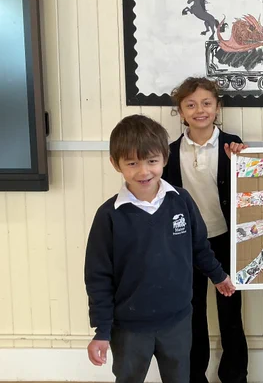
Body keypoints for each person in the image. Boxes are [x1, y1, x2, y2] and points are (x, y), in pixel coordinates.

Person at [85, 115, 235, 383]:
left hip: (178, 321)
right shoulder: (108, 216)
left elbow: (200, 247)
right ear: (115, 163)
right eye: (132, 163)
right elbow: (98, 278)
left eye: (152, 161)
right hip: (129, 327)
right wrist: (102, 330)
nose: (144, 172)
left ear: (165, 158)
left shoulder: (182, 201)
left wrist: (219, 276)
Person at [162, 77, 249, 383]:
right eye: (191, 104)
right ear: (180, 111)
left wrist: (241, 159)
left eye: (206, 103)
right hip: (186, 246)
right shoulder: (169, 152)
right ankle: (193, 376)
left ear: (217, 107)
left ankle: (234, 376)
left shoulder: (233, 145)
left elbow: (250, 189)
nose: (199, 110)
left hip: (226, 241)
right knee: (192, 315)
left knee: (230, 315)